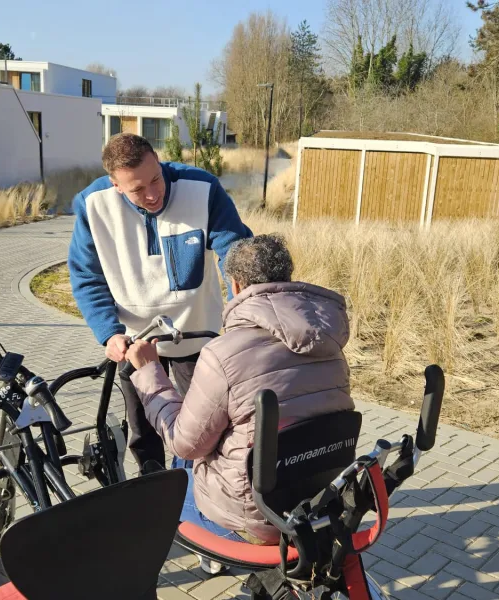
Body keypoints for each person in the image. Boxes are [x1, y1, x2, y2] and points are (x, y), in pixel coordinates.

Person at [125, 234, 355, 549]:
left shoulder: (223, 354)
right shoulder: (330, 344)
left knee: (168, 481)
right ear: (285, 277)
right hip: (316, 499)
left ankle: (206, 551)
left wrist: (149, 370)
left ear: (235, 285)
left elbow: (184, 444)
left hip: (255, 520)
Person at [68, 133, 252, 473]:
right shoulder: (92, 204)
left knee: (209, 426)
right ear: (116, 184)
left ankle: (204, 494)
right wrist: (109, 333)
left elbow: (237, 256)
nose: (153, 194)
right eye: (138, 189)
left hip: (196, 335)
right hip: (135, 340)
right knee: (144, 430)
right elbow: (85, 275)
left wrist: (246, 318)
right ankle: (151, 491)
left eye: (156, 179)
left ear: (159, 160)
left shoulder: (202, 187)